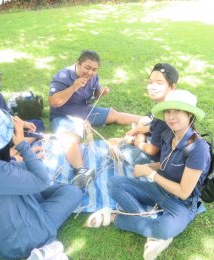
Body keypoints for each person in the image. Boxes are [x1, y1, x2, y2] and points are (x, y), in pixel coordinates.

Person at [85, 90, 210, 260]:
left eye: (177, 111)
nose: (171, 116)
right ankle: (150, 227)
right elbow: (166, 162)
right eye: (168, 111)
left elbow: (184, 192)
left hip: (182, 203)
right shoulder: (169, 135)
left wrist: (150, 173)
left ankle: (114, 217)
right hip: (158, 189)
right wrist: (150, 166)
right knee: (114, 183)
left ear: (190, 114)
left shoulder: (198, 148)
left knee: (163, 229)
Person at [0, 102, 82, 259]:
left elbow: (4, 173)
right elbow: (42, 180)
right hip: (19, 243)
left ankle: (35, 208)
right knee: (72, 192)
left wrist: (19, 160)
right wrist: (23, 147)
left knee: (29, 176)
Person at [49, 50, 141, 187]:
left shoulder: (92, 76)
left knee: (114, 114)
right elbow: (54, 102)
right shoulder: (62, 77)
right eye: (87, 67)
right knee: (69, 137)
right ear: (78, 64)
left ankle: (148, 120)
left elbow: (94, 95)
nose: (90, 72)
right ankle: (81, 171)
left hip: (84, 111)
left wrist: (100, 93)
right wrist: (73, 87)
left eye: (94, 69)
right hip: (63, 115)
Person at [108, 63, 179, 170]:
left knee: (111, 143)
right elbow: (154, 128)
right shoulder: (169, 105)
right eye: (150, 82)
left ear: (172, 86)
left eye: (159, 83)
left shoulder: (166, 114)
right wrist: (137, 130)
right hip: (162, 152)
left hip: (157, 161)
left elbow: (152, 150)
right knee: (140, 130)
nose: (152, 87)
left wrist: (132, 142)